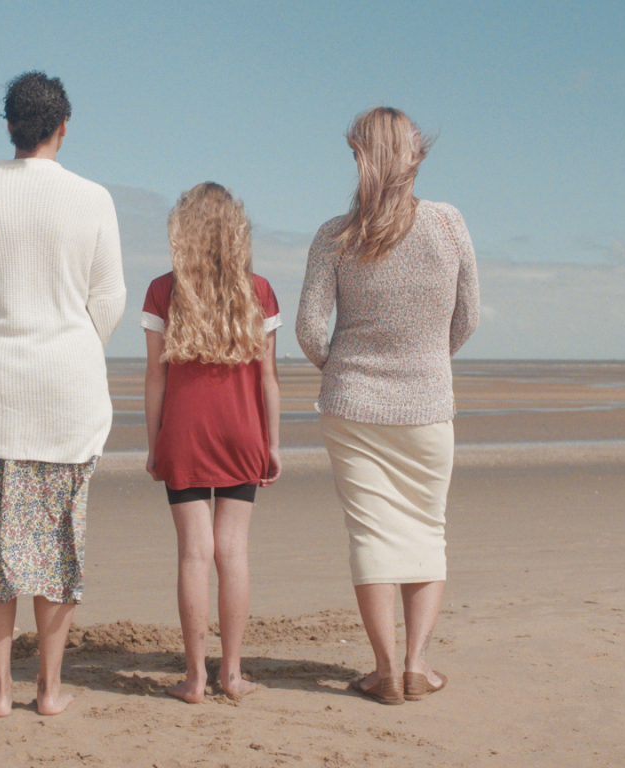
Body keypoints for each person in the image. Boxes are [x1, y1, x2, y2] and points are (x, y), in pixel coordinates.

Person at [0, 71, 125, 717]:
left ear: (8, 125)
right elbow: (109, 300)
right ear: (63, 128)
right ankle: (48, 687)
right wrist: (68, 346)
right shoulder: (94, 198)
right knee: (57, 542)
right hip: (64, 393)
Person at [296, 107, 479, 705]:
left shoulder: (334, 233)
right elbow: (467, 318)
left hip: (353, 404)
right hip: (428, 401)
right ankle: (417, 665)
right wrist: (429, 359)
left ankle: (382, 669)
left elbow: (307, 328)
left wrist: (343, 369)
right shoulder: (449, 224)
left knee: (371, 535)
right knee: (428, 530)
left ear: (358, 156)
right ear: (415, 156)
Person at [141, 182, 282, 703]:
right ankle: (233, 674)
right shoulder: (259, 290)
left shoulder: (163, 289)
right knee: (234, 552)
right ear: (236, 232)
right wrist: (272, 443)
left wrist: (153, 442)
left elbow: (155, 377)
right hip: (243, 429)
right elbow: (268, 377)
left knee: (193, 555)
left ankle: (196, 678)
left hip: (185, 430)